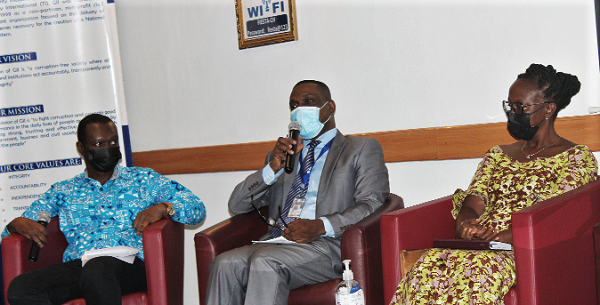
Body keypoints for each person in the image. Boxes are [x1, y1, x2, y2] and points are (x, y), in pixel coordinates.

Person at [389, 63, 598, 305]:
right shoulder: (498, 155)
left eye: (521, 107)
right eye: (510, 106)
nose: (513, 113)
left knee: (477, 273)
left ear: (548, 109)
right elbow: (474, 200)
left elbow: (553, 216)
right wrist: (467, 224)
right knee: (431, 263)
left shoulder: (576, 158)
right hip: (479, 245)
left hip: (523, 251)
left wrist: (507, 236)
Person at [205, 80, 390, 305]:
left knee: (266, 261)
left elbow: (372, 204)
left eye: (308, 102)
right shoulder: (285, 156)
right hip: (278, 242)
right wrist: (271, 169)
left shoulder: (360, 149)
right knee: (224, 264)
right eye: (294, 105)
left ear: (329, 108)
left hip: (327, 245)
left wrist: (321, 225)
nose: (299, 110)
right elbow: (237, 205)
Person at [3, 113, 206, 305]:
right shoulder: (63, 191)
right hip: (81, 266)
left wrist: (164, 208)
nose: (108, 148)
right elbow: (10, 232)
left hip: (131, 265)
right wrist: (14, 224)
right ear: (81, 148)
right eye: (99, 144)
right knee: (22, 288)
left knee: (98, 269)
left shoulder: (143, 179)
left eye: (113, 142)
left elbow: (196, 209)